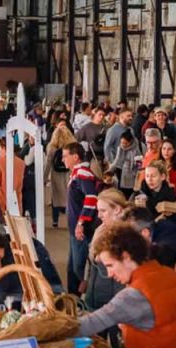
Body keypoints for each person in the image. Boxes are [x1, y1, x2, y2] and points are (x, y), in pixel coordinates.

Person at [62, 142, 98, 295]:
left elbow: (91, 198)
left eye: (65, 156)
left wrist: (81, 223)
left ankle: (86, 292)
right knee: (71, 268)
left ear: (75, 157)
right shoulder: (77, 173)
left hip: (80, 231)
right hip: (74, 230)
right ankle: (73, 299)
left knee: (78, 266)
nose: (63, 159)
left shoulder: (82, 173)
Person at [84, 189, 128, 311]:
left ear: (117, 210)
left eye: (103, 211)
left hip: (113, 302)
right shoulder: (101, 229)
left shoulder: (127, 234)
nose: (99, 215)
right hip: (96, 293)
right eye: (98, 211)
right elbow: (92, 259)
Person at [132, 160, 176, 225]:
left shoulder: (171, 197)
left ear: (162, 177)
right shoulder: (141, 191)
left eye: (153, 176)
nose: (149, 179)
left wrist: (156, 220)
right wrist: (134, 204)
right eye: (147, 176)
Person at [45, 125, 76, 227]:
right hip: (68, 173)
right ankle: (70, 220)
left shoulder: (52, 148)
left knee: (56, 198)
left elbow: (48, 163)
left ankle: (55, 221)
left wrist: (44, 177)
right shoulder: (72, 147)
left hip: (55, 174)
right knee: (69, 197)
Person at [0, 138, 25, 216]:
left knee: (2, 225)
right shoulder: (21, 162)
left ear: (3, 148)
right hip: (16, 199)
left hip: (1, 200)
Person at [108, 130, 144, 199]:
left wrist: (136, 176)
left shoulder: (136, 150)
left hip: (131, 179)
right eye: (121, 142)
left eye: (125, 143)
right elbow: (117, 160)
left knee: (129, 197)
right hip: (121, 176)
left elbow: (139, 167)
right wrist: (110, 171)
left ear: (130, 142)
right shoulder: (120, 148)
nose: (123, 145)